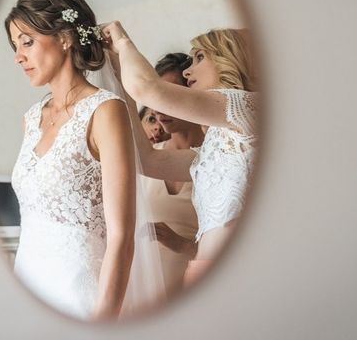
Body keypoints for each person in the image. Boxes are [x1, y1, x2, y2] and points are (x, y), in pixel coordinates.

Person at [6, 0, 137, 321]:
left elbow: (121, 235)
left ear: (65, 37)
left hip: (80, 297)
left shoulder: (106, 111)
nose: (18, 56)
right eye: (14, 46)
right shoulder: (31, 120)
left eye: (27, 42)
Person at [102, 22, 258, 286]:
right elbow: (147, 159)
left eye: (199, 57)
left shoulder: (250, 107)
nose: (188, 71)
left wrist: (122, 41)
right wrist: (117, 72)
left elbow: (148, 89)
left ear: (227, 58)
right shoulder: (215, 144)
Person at [142, 53, 205, 295]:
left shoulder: (217, 159)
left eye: (168, 93)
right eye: (155, 93)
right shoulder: (145, 160)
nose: (159, 106)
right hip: (142, 292)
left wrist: (181, 244)